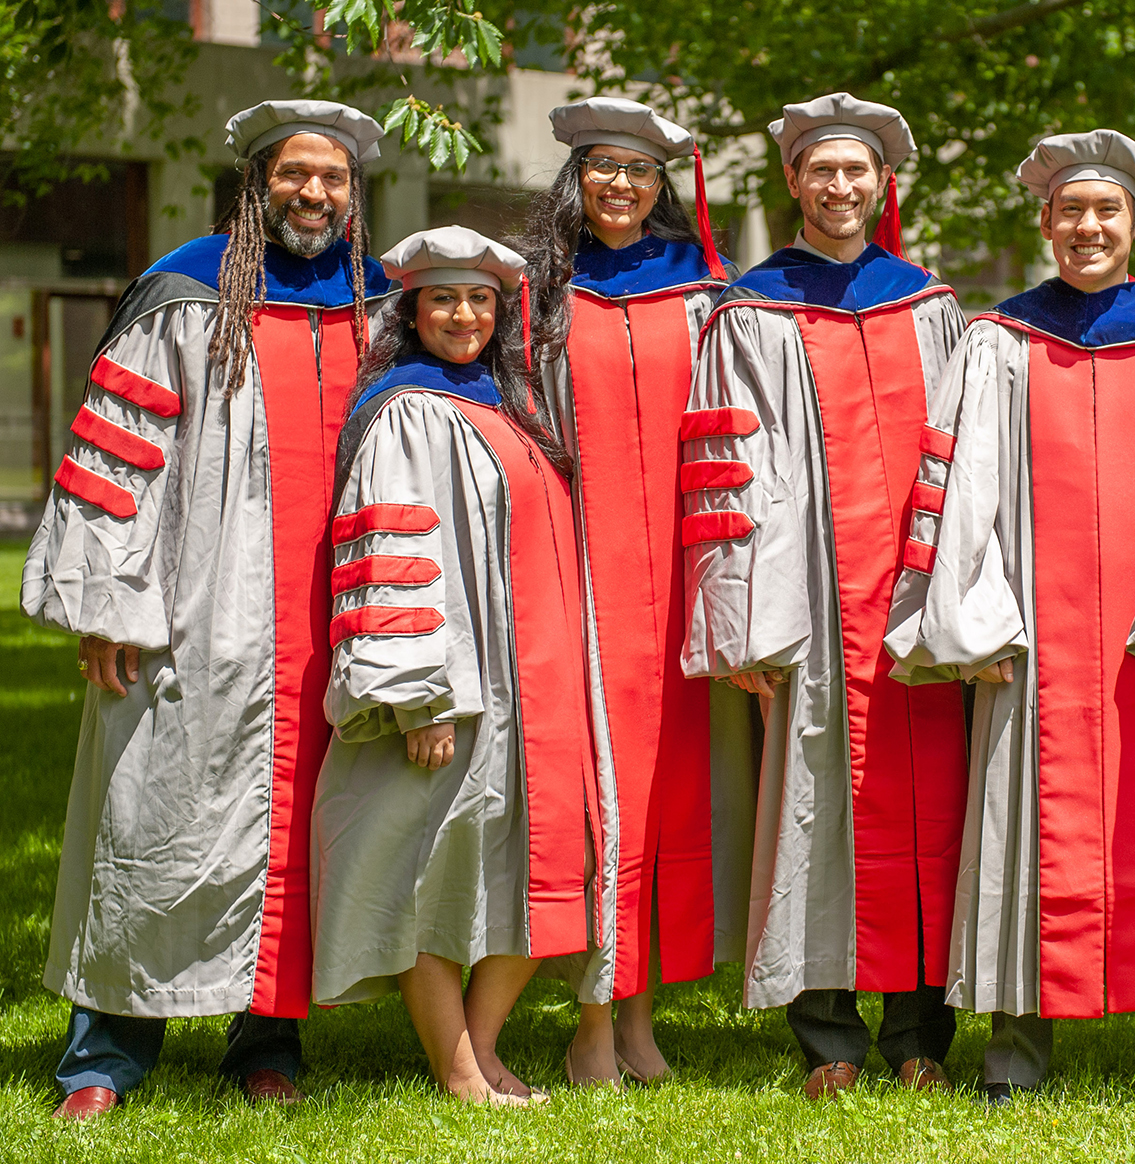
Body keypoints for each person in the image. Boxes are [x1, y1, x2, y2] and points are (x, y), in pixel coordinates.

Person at [884, 130, 1135, 1111]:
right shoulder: (998, 340)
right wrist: (972, 625)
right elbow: (957, 491)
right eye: (1069, 212)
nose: (1087, 227)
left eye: (1107, 210)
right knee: (1024, 829)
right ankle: (1015, 1051)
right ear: (1046, 224)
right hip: (1033, 647)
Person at [21, 99, 391, 1119]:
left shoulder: (383, 300)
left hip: (335, 616)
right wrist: (110, 603)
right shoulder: (184, 288)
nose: (314, 194)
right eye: (294, 174)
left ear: (353, 194)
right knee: (152, 814)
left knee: (298, 834)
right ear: (256, 182)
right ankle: (105, 1055)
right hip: (199, 605)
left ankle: (267, 1040)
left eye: (333, 179)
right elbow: (116, 457)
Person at [679, 92, 969, 1099]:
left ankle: (921, 1034)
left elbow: (968, 463)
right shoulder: (750, 313)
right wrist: (743, 622)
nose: (840, 188)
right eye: (821, 171)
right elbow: (726, 472)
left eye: (857, 172)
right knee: (807, 808)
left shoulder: (931, 307)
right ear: (793, 182)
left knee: (935, 810)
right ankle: (828, 1039)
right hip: (806, 603)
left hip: (918, 609)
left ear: (881, 184)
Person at [312, 226, 593, 1106]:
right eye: (442, 299)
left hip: (534, 688)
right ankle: (461, 1069)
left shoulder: (508, 407)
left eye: (479, 300)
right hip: (452, 690)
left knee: (540, 858)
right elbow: (389, 553)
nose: (463, 315)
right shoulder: (404, 409)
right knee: (422, 864)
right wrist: (418, 698)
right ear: (412, 310)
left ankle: (481, 1044)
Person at [520, 96, 749, 1087]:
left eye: (641, 172)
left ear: (664, 188)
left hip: (678, 570)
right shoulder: (536, 290)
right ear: (576, 178)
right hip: (574, 570)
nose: (622, 185)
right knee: (592, 798)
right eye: (605, 168)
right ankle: (588, 1020)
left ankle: (639, 1009)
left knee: (664, 792)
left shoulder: (703, 289)